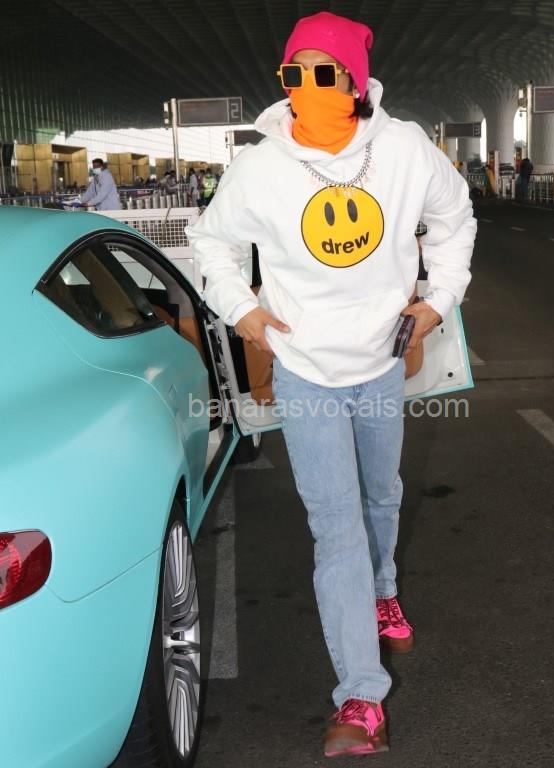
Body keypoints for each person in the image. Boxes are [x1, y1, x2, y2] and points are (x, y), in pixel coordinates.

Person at [187, 11, 475, 758]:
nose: (307, 87)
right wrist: (242, 310)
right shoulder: (260, 166)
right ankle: (360, 694)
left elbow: (455, 218)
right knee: (335, 525)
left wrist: (438, 299)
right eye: (294, 73)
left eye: (324, 73)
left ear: (354, 81)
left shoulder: (404, 149)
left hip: (380, 362)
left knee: (382, 494)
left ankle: (383, 593)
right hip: (303, 370)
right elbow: (211, 241)